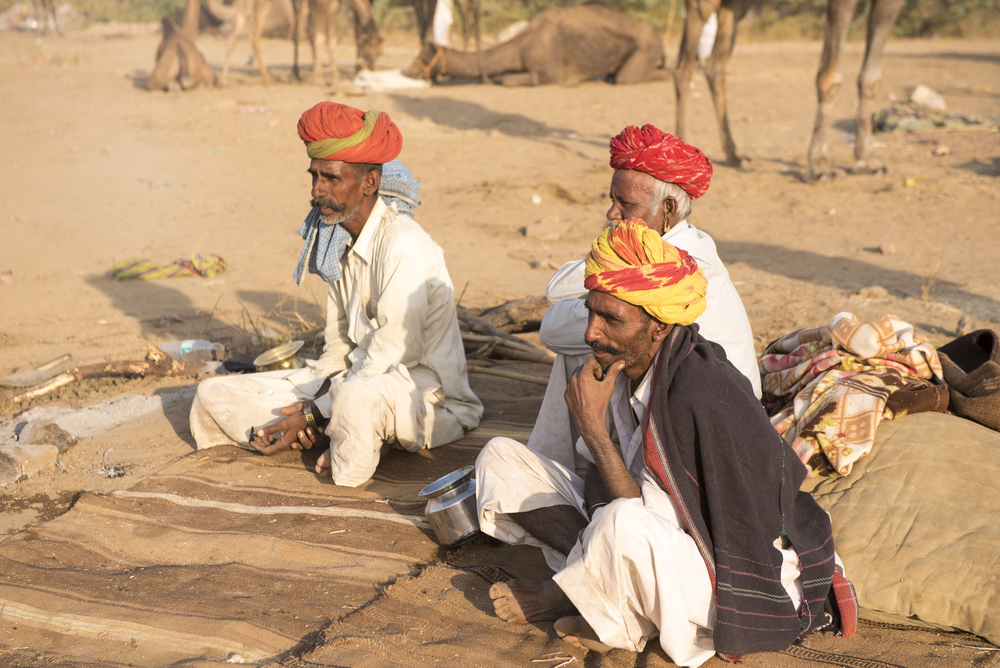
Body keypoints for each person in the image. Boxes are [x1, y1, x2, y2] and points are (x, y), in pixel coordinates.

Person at [476, 220, 853, 666]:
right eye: (592, 311)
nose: (591, 332)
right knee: (499, 458)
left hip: (732, 573)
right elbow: (619, 492)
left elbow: (647, 517)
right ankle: (592, 586)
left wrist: (592, 429)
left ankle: (577, 596)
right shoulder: (624, 363)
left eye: (610, 319)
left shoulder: (696, 389)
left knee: (620, 525)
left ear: (657, 327)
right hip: (655, 536)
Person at [189, 102, 482, 487]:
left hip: (419, 395)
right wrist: (310, 407)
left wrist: (315, 411)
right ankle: (325, 434)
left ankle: (335, 438)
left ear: (369, 182)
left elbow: (392, 356)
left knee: (355, 401)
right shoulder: (338, 241)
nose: (317, 191)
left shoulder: (404, 246)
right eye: (314, 177)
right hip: (351, 381)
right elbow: (337, 347)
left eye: (330, 178)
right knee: (212, 393)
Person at [529, 124, 759, 477]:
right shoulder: (663, 252)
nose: (611, 213)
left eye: (625, 204)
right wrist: (617, 258)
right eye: (612, 200)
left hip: (712, 419)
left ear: (667, 209)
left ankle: (551, 472)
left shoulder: (678, 267)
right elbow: (555, 289)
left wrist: (614, 262)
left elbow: (552, 329)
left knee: (583, 348)